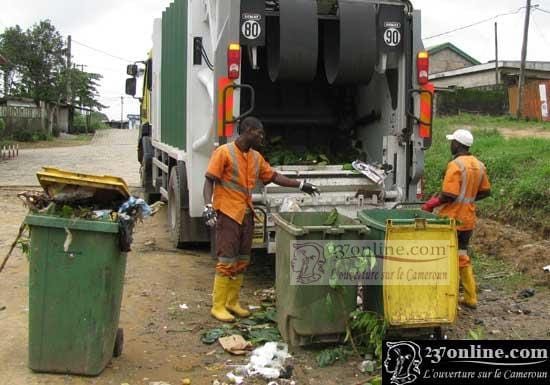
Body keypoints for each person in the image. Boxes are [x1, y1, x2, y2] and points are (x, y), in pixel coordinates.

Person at [203, 116, 320, 322]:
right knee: (226, 260)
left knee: (242, 260)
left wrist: (301, 185)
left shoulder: (256, 157)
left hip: (246, 213)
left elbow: (273, 177)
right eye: (259, 133)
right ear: (247, 130)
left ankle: (232, 303)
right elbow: (209, 180)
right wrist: (208, 206)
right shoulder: (224, 153)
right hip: (228, 213)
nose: (262, 137)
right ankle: (218, 306)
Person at [422, 129, 491, 309]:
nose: (450, 144)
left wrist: (430, 204)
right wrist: (468, 198)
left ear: (458, 145)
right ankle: (470, 297)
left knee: (443, 256)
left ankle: (445, 296)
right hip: (467, 220)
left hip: (451, 220)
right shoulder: (479, 165)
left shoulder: (456, 165)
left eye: (452, 142)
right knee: (462, 256)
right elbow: (486, 191)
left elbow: (448, 195)